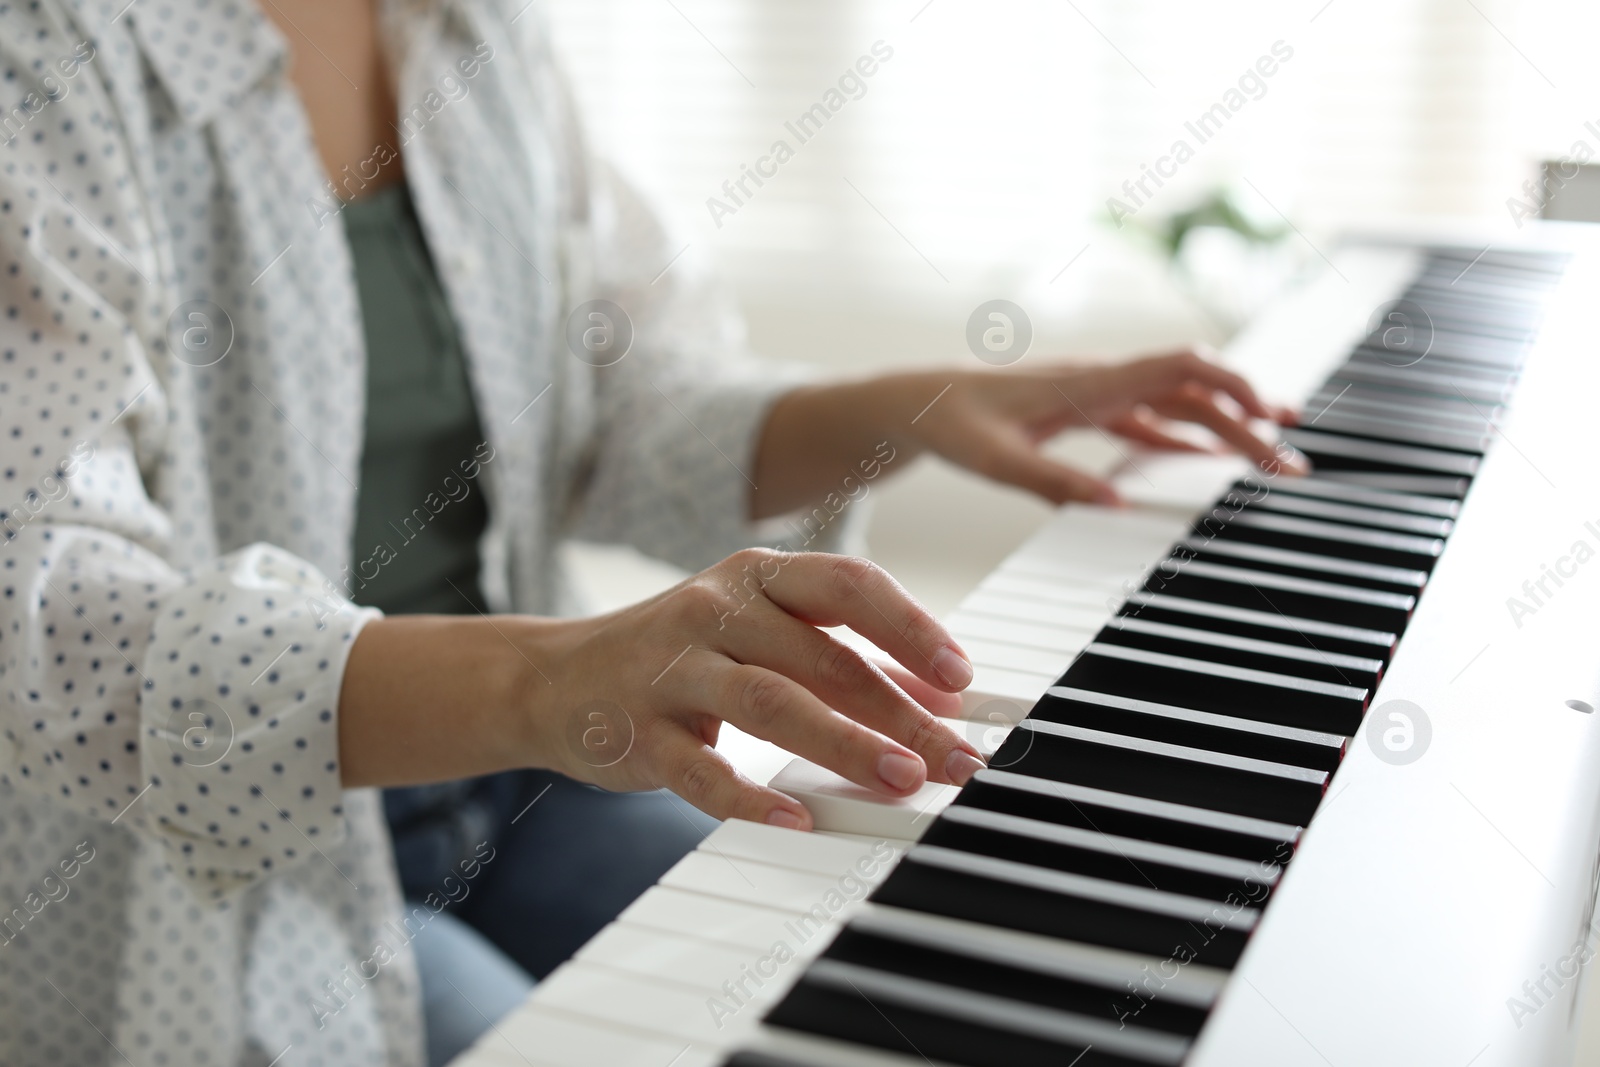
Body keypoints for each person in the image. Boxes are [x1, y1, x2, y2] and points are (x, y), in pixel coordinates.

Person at [0, 1, 1300, 1064]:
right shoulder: (46, 60)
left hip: (523, 788)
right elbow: (50, 616)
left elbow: (616, 405)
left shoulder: (475, 31)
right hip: (219, 880)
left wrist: (922, 407)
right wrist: (547, 678)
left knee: (883, 971)